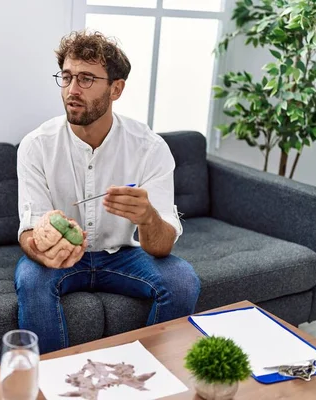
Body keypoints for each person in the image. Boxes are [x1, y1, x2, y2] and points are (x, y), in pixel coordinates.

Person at [15, 30, 200, 354]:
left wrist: (147, 217)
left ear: (116, 88)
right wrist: (42, 247)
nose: (72, 90)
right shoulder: (36, 146)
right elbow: (29, 230)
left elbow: (162, 246)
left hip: (126, 256)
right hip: (63, 259)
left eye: (86, 79)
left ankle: (152, 377)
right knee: (32, 280)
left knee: (182, 279)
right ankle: (48, 383)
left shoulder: (150, 148)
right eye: (67, 77)